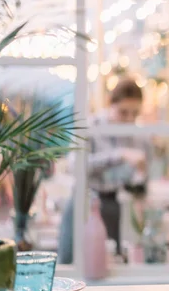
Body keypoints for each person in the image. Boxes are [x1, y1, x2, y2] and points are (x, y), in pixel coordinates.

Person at [58, 77, 151, 263]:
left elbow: (142, 179)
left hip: (117, 205)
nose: (130, 119)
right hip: (83, 202)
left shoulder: (139, 137)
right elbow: (74, 165)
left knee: (114, 264)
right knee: (71, 261)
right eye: (124, 112)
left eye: (135, 113)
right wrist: (119, 154)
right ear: (111, 103)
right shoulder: (91, 126)